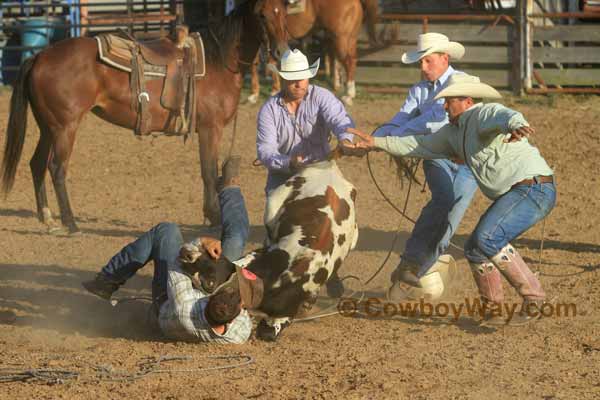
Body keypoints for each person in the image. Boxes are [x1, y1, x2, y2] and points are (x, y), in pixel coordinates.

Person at [347, 74, 556, 326]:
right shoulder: (453, 132)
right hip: (525, 190)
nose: (445, 106)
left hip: (533, 188)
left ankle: (534, 300)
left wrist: (516, 123)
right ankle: (492, 309)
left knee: (486, 238)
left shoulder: (481, 114)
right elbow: (417, 143)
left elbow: (502, 114)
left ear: (467, 101)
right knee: (475, 248)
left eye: (449, 101)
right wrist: (376, 142)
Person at [82, 157, 253, 343]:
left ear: (208, 300)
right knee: (236, 236)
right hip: (206, 292)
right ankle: (230, 188)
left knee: (166, 231)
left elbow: (177, 264)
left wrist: (201, 242)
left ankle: (107, 280)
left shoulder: (183, 307)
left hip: (168, 297)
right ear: (235, 317)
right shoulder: (239, 333)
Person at [372, 33, 479, 300]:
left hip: (466, 161)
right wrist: (378, 136)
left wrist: (392, 136)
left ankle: (408, 274)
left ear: (445, 58)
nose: (422, 68)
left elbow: (434, 123)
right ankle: (410, 266)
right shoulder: (418, 91)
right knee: (444, 201)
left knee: (448, 224)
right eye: (421, 62)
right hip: (436, 155)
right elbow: (399, 120)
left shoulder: (463, 84)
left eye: (427, 61)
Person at [256, 48, 355, 297]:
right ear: (283, 79)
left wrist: (345, 138)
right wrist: (289, 162)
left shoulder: (321, 96)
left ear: (308, 77)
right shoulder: (269, 109)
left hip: (321, 170)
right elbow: (265, 151)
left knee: (341, 212)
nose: (298, 82)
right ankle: (277, 265)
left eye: (301, 77)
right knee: (273, 218)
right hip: (284, 173)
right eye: (292, 77)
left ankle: (332, 268)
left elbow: (339, 119)